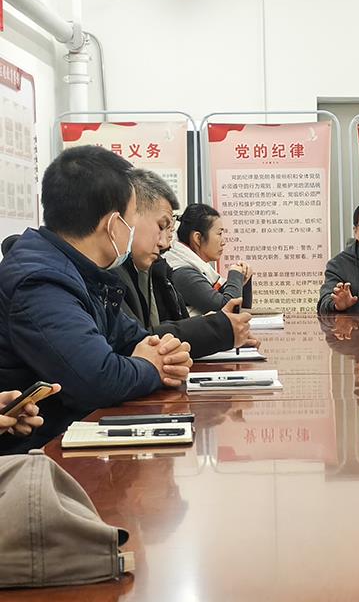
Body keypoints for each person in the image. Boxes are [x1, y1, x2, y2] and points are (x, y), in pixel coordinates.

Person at [0, 145, 192, 453]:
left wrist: (165, 356)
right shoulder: (41, 281)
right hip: (40, 458)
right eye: (133, 217)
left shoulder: (83, 272)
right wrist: (152, 367)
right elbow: (97, 380)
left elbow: (136, 340)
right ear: (114, 224)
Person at [115, 170, 259, 358]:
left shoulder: (155, 267)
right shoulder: (181, 271)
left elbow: (160, 329)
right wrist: (215, 329)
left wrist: (218, 330)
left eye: (170, 230)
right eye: (162, 227)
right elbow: (137, 342)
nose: (165, 242)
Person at [165, 203, 253, 315]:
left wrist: (244, 279)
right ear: (197, 238)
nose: (223, 242)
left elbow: (243, 311)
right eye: (219, 233)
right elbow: (227, 310)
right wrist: (235, 275)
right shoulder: (183, 272)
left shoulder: (199, 268)